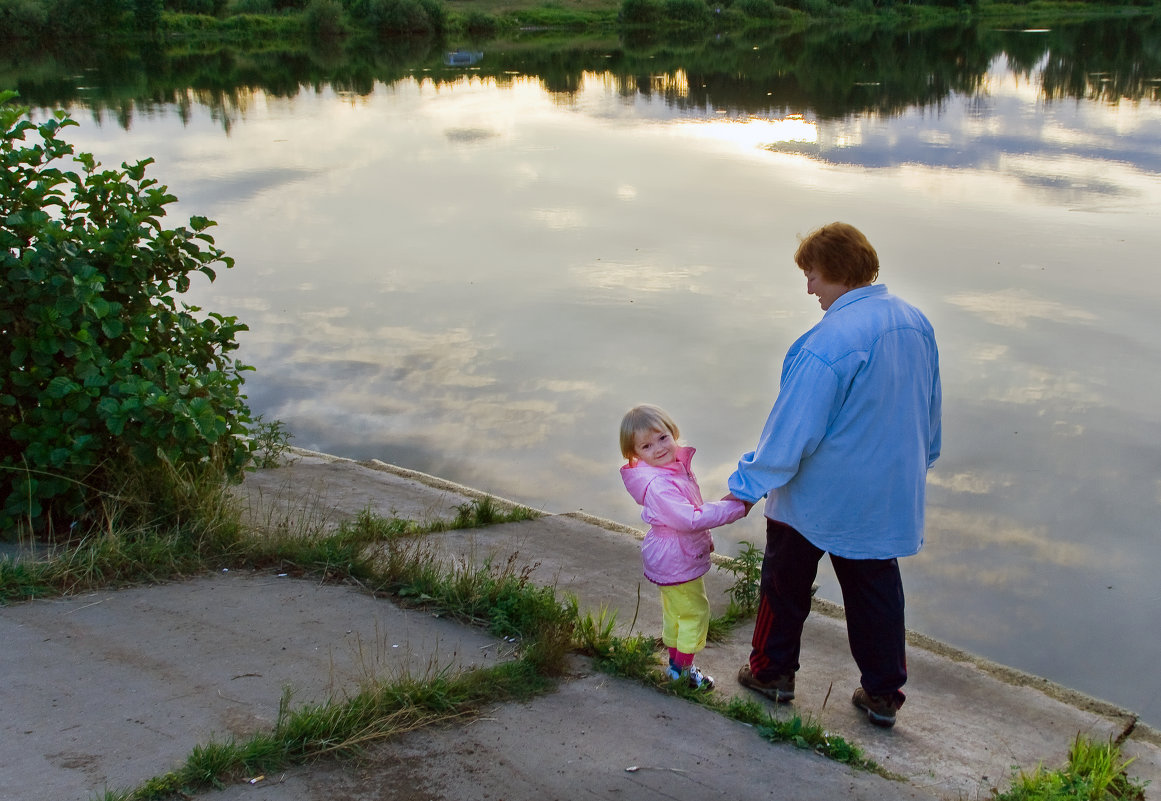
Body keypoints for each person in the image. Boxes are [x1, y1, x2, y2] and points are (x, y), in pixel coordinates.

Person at [725, 222, 941, 728]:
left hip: (822, 492)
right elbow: (929, 407)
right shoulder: (915, 321)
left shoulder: (830, 340)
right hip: (885, 489)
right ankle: (883, 694)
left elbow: (792, 429)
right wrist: (921, 460)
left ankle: (772, 673)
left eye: (813, 276)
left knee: (784, 584)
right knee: (876, 592)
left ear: (839, 274)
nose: (808, 289)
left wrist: (745, 487)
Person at [620, 404, 748, 690]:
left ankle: (676, 667)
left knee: (677, 611)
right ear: (634, 454)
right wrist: (735, 507)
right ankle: (683, 673)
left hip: (674, 553)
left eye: (663, 438)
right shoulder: (659, 484)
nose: (658, 448)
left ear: (673, 432)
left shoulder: (671, 470)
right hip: (676, 556)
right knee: (693, 613)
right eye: (647, 445)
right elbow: (690, 518)